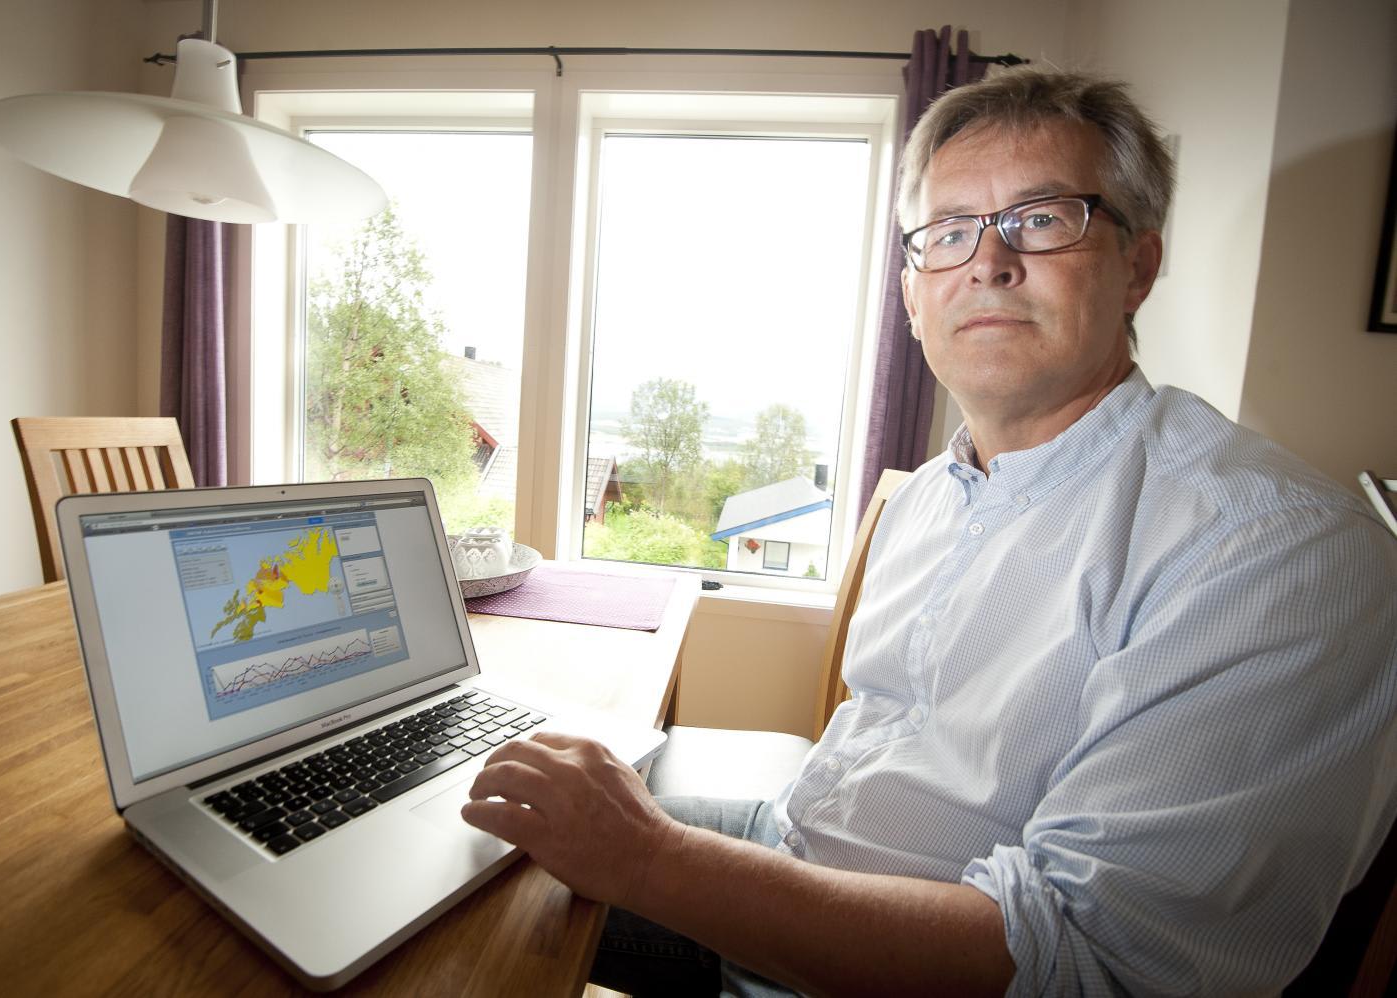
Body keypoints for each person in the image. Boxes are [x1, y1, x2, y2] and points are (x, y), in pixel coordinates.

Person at [460, 68, 1397, 996]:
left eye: (1042, 218)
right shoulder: (926, 499)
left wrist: (649, 858)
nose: (987, 262)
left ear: (1137, 268)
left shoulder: (1276, 553)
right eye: (948, 232)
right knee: (458, 843)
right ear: (912, 297)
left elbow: (1080, 965)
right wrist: (648, 843)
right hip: (790, 838)